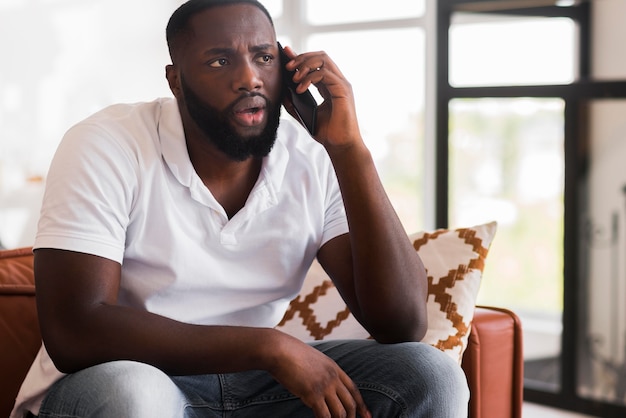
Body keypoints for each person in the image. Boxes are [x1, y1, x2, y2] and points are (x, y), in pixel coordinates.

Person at [11, 1, 469, 417]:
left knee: (428, 373)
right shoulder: (107, 144)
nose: (249, 77)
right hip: (133, 379)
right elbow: (75, 331)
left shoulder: (312, 156)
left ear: (286, 70)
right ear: (176, 80)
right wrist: (267, 346)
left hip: (258, 389)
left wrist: (349, 150)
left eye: (264, 58)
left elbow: (402, 323)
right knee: (134, 393)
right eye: (219, 60)